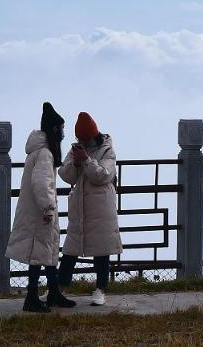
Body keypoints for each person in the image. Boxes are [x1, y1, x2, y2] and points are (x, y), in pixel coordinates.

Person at [5, 102, 76, 312]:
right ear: (55, 129)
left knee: (47, 250)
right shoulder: (45, 153)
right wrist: (48, 208)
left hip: (36, 210)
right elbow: (41, 183)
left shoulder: (38, 151)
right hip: (40, 212)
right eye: (62, 129)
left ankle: (52, 292)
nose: (63, 132)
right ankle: (32, 297)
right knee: (39, 253)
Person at [58, 111, 123, 306]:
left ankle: (100, 289)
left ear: (93, 135)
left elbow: (102, 175)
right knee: (70, 250)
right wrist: (77, 163)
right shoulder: (76, 150)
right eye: (79, 139)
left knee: (102, 249)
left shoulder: (107, 150)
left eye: (85, 139)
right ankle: (58, 288)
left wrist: (86, 160)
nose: (82, 142)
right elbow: (66, 175)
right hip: (80, 207)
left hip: (102, 207)